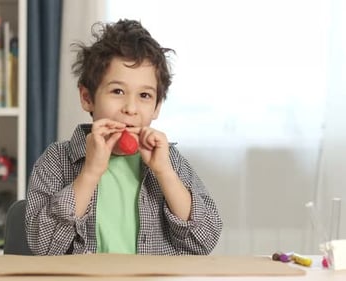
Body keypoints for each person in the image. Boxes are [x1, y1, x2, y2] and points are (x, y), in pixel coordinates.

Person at [25, 19, 222, 256]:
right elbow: (42, 247)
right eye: (117, 91)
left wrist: (165, 173)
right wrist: (90, 173)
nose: (131, 108)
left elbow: (205, 240)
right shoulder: (57, 160)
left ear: (157, 107)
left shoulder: (169, 161)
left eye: (145, 95)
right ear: (87, 97)